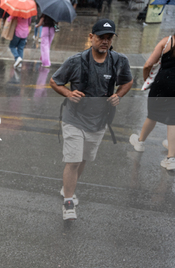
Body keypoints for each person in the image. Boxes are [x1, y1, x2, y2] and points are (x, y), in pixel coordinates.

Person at [50, 19, 133, 220]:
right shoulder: (75, 61)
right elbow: (55, 81)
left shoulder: (119, 61)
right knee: (73, 160)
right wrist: (68, 94)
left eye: (109, 38)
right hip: (74, 119)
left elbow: (128, 81)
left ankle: (67, 187)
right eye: (101, 37)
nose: (105, 41)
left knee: (83, 159)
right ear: (91, 37)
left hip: (98, 122)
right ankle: (68, 201)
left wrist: (118, 95)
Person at [129, 33, 175, 170]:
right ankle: (170, 158)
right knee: (173, 120)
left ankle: (140, 142)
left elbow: (148, 64)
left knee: (152, 115)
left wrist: (146, 79)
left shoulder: (167, 42)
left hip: (162, 83)